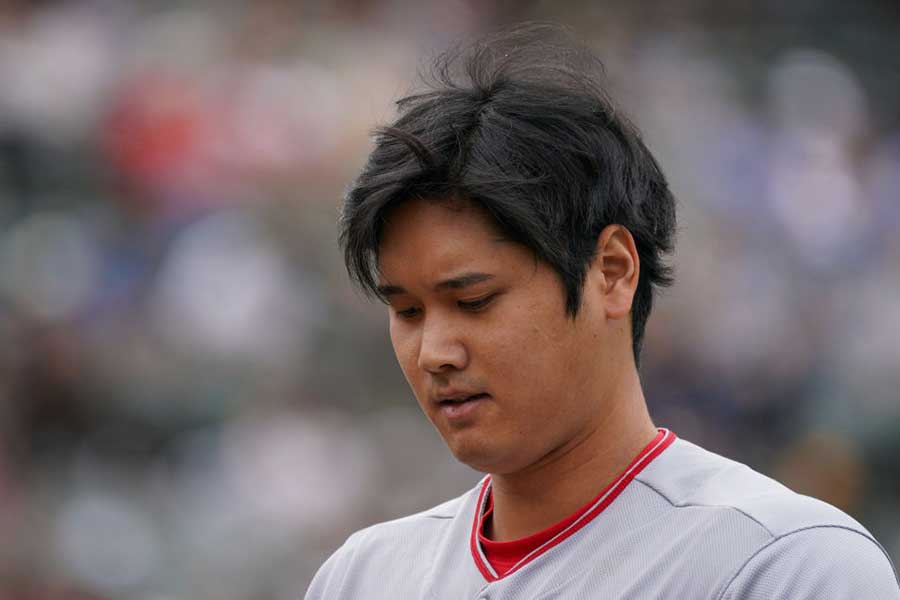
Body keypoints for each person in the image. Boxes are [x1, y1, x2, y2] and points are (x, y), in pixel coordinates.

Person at [306, 24, 900, 599]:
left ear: (611, 271)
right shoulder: (361, 577)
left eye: (474, 301)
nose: (434, 352)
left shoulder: (784, 564)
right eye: (407, 311)